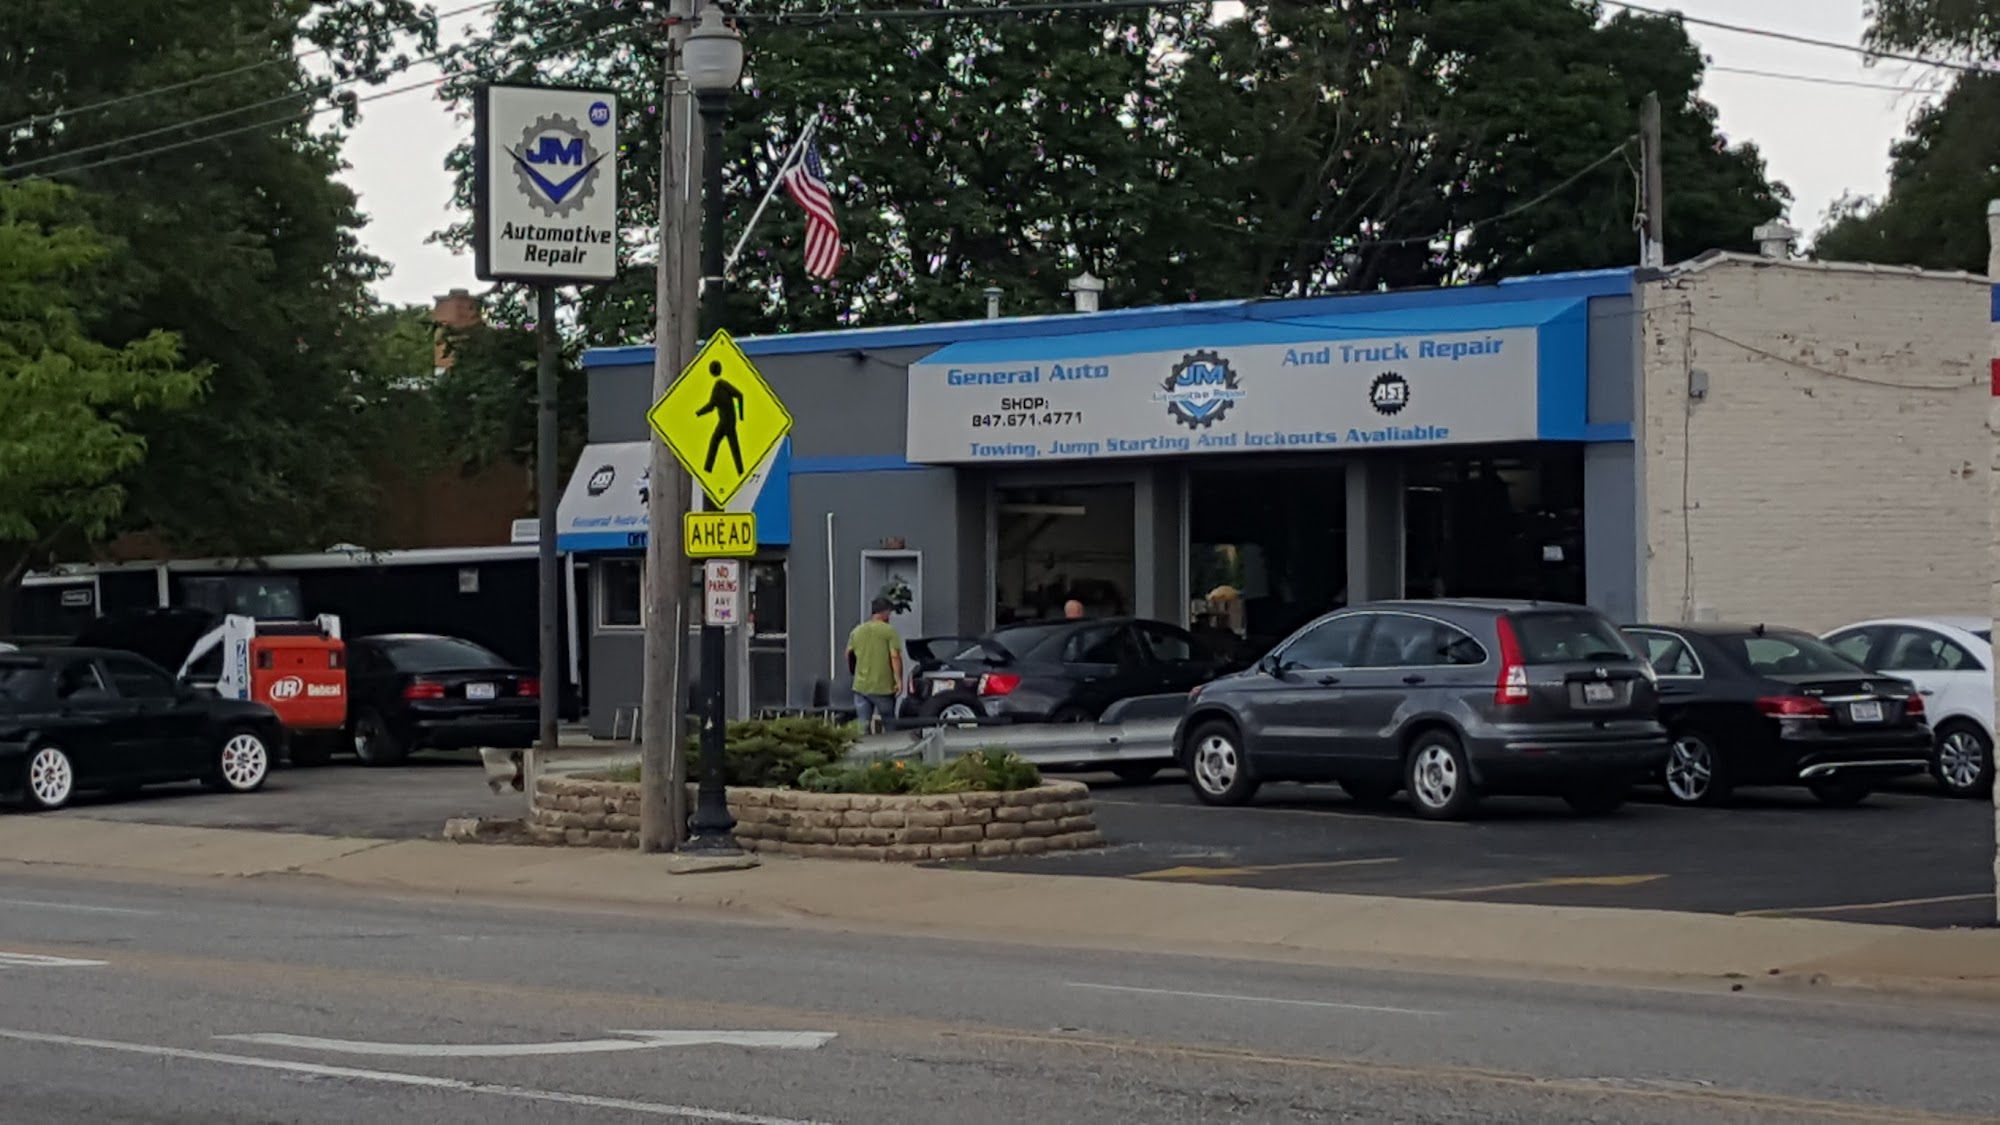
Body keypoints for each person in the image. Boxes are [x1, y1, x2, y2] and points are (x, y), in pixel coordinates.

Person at [846, 596, 904, 733]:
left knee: (863, 724)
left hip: (861, 686)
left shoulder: (857, 631)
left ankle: (864, 746)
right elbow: (895, 656)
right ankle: (892, 745)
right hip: (883, 687)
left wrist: (853, 671)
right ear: (886, 612)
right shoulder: (889, 631)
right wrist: (898, 680)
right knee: (889, 723)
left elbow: (848, 654)